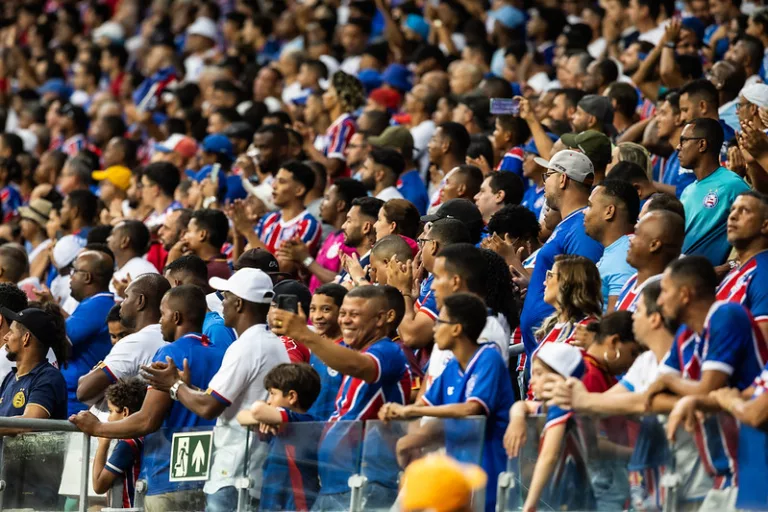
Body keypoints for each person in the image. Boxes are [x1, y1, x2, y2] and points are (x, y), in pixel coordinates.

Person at [142, 269, 289, 511]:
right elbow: (225, 399)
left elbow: (209, 407)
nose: (223, 303)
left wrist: (175, 386)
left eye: (227, 297)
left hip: (234, 472)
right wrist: (189, 388)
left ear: (239, 304)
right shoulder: (272, 343)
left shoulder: (246, 347)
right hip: (253, 469)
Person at [70, 285, 226, 512]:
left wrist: (98, 428)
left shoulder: (169, 353)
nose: (160, 322)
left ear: (176, 317)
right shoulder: (222, 354)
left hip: (167, 477)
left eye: (162, 315)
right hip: (208, 475)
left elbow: (147, 420)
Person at [270, 286, 411, 508]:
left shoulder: (387, 352)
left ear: (381, 319)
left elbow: (358, 366)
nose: (345, 321)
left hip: (366, 482)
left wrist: (304, 334)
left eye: (354, 315)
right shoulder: (353, 353)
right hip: (334, 482)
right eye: (343, 313)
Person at [644, 256, 768, 507]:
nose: (659, 301)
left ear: (685, 294)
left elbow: (709, 389)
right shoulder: (686, 333)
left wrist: (674, 384)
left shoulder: (727, 315)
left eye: (665, 291)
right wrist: (687, 394)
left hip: (753, 469)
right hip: (721, 474)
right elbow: (655, 394)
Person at [380, 293, 514, 512]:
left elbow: (473, 408)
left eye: (439, 322)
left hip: (488, 469)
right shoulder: (452, 367)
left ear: (456, 328)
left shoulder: (489, 358)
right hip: (455, 471)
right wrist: (396, 410)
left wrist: (409, 410)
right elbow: (424, 405)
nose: (434, 329)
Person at [520, 150, 603, 359]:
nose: (545, 184)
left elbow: (581, 292)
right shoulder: (567, 224)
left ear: (563, 179)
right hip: (546, 347)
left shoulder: (581, 228)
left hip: (558, 351)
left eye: (548, 176)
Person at [504, 343, 596, 511]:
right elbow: (522, 406)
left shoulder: (562, 405)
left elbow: (549, 456)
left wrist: (529, 505)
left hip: (575, 499)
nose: (532, 380)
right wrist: (517, 419)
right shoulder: (547, 406)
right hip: (562, 498)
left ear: (560, 378)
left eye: (539, 374)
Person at [236, 363, 322, 511]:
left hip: (296, 504)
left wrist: (265, 416)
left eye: (272, 393)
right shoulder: (278, 425)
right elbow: (241, 417)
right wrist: (266, 419)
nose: (269, 400)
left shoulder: (302, 421)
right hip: (272, 503)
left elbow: (257, 409)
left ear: (292, 397)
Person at [75, 274, 170, 407]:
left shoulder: (136, 342)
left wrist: (87, 377)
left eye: (126, 297)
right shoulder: (169, 336)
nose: (122, 304)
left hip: (119, 424)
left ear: (140, 301)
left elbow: (83, 391)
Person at [391, 218, 471, 350]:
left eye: (423, 242)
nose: (420, 247)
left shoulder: (447, 284)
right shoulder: (433, 279)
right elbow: (408, 318)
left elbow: (411, 336)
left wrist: (402, 289)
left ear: (433, 246)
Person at [678, 118, 750, 266]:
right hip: (683, 277)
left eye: (684, 140)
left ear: (702, 144)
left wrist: (730, 266)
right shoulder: (687, 191)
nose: (678, 147)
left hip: (712, 282)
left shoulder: (732, 185)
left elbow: (755, 236)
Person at [278, 178, 367, 292]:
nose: (321, 203)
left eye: (327, 198)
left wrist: (306, 259)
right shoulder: (331, 237)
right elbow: (316, 280)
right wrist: (302, 264)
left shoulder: (350, 241)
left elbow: (343, 283)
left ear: (340, 205)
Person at [58, 250, 115, 415]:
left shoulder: (97, 305)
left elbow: (56, 341)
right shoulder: (93, 304)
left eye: (74, 271)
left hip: (77, 404)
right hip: (74, 399)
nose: (71, 277)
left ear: (88, 277)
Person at [0, 303, 69, 420]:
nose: (5, 337)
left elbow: (29, 423)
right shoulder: (10, 377)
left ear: (26, 338)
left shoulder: (48, 377)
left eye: (11, 332)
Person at [717, 192, 768, 340]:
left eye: (744, 210)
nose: (732, 216)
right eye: (732, 209)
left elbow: (763, 346)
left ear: (765, 225)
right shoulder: (739, 270)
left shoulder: (763, 276)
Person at [584, 179, 640, 312]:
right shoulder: (618, 249)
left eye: (590, 206)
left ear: (609, 211)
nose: (584, 212)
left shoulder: (626, 254)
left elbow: (617, 320)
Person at [92, 377, 147, 508]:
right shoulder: (143, 438)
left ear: (125, 412)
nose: (109, 418)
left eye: (111, 411)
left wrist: (103, 443)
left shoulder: (128, 445)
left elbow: (99, 486)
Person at [252, 161, 321, 265]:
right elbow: (244, 259)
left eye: (281, 181)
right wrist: (238, 234)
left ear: (299, 190)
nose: (274, 185)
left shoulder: (308, 224)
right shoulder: (269, 218)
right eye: (275, 180)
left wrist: (248, 232)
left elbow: (283, 269)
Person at [618, 210, 685, 312]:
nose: (630, 239)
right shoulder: (632, 280)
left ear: (654, 245)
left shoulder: (662, 295)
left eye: (636, 233)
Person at [306, 283, 347, 420]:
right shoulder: (316, 345)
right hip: (311, 427)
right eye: (313, 309)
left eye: (326, 309)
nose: (317, 316)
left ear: (342, 311)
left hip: (337, 430)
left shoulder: (349, 350)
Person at [336, 196, 383, 283]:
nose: (343, 226)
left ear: (366, 227)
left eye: (349, 221)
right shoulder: (355, 263)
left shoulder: (370, 268)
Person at [107, 220, 159, 296]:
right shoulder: (131, 267)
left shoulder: (142, 270)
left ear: (124, 242)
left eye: (113, 235)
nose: (108, 239)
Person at [181, 209, 232, 280]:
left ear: (202, 235)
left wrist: (172, 261)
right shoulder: (224, 265)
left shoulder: (206, 272)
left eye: (188, 231)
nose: (183, 237)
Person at [142, 162, 183, 230]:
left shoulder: (175, 217)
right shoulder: (152, 216)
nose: (142, 191)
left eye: (143, 186)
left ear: (155, 190)